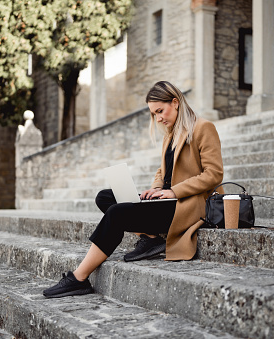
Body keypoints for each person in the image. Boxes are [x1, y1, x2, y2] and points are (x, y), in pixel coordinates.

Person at [43, 81, 223, 298]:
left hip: (185, 205)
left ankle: (79, 278)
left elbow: (214, 174)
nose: (158, 118)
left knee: (117, 213)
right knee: (105, 197)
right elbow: (163, 171)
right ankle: (151, 239)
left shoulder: (203, 128)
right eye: (154, 114)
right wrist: (155, 190)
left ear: (175, 103)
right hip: (166, 201)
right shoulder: (170, 133)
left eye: (160, 111)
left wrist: (174, 191)